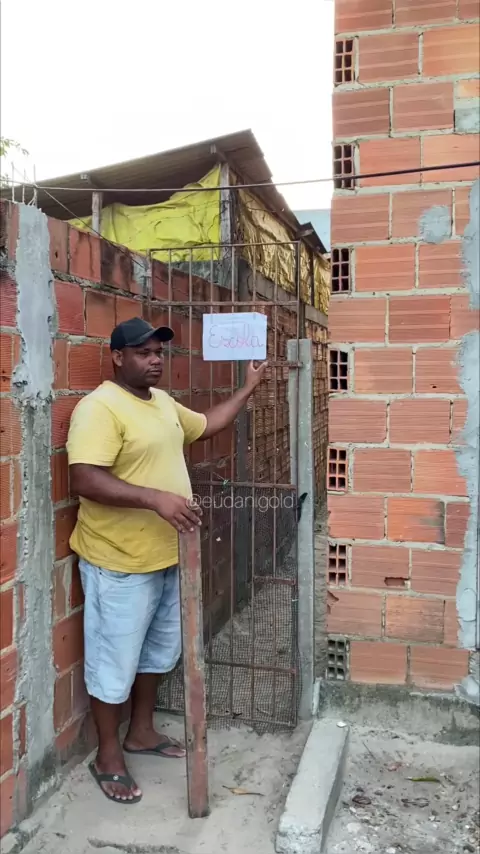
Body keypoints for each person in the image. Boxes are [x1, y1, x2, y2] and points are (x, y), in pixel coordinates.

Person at [67, 316, 267, 804]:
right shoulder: (99, 408)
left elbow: (208, 425)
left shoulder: (162, 403)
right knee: (114, 662)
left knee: (157, 652)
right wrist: (154, 498)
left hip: (169, 555)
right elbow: (85, 478)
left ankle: (141, 732)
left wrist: (248, 387)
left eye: (159, 352)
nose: (155, 360)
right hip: (119, 561)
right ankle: (108, 755)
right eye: (143, 352)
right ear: (118, 357)